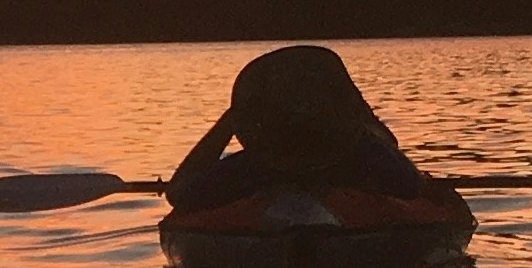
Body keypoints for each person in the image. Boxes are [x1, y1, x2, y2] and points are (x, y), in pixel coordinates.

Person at [165, 45, 441, 212]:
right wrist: (358, 112)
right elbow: (411, 184)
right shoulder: (366, 155)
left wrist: (231, 120)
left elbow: (179, 193)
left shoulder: (252, 167)